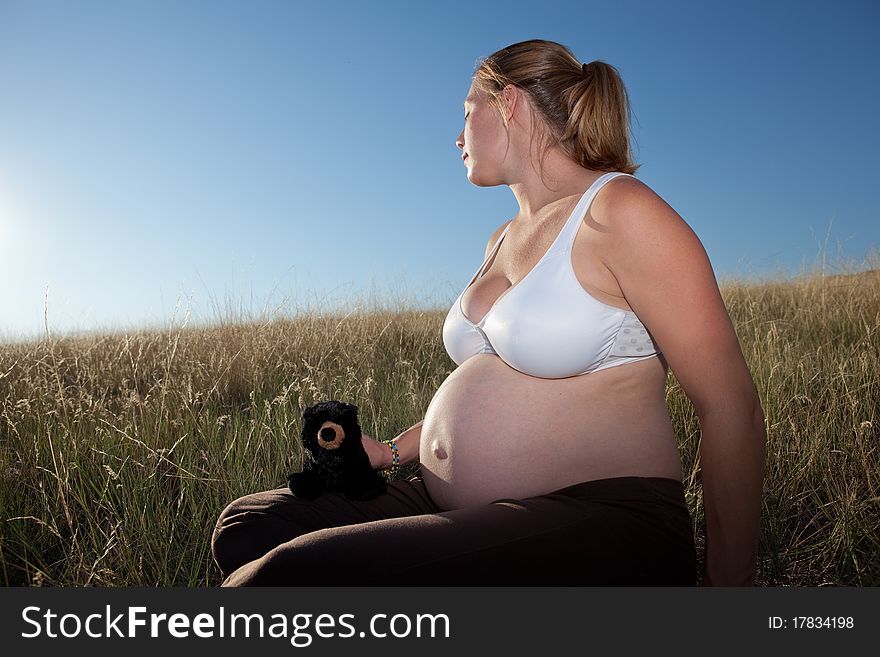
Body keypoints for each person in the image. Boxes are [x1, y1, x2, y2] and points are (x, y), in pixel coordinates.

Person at [212, 39, 766, 587]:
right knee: (246, 526)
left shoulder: (621, 212)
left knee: (286, 577)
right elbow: (501, 381)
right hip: (460, 499)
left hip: (605, 514)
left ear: (510, 103)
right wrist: (397, 449)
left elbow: (728, 406)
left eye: (467, 110)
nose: (458, 136)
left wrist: (725, 591)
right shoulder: (501, 239)